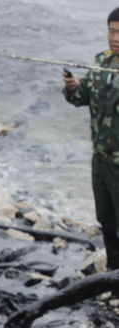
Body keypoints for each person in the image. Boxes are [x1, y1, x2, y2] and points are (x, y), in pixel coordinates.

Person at [62, 6, 119, 270]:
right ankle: (114, 278)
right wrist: (73, 86)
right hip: (101, 160)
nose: (115, 39)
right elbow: (80, 97)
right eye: (112, 32)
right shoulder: (101, 63)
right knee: (106, 220)